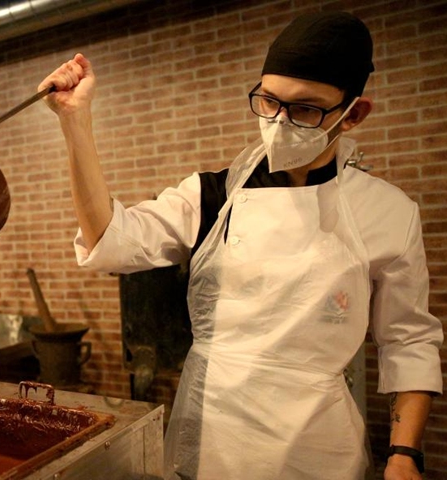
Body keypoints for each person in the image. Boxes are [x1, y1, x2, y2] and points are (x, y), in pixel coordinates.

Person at [39, 11, 442, 480]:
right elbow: (110, 239)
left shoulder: (388, 212)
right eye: (269, 100)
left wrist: (403, 454)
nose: (279, 121)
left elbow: (409, 341)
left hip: (317, 448)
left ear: (353, 114)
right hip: (211, 439)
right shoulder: (212, 196)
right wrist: (75, 122)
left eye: (306, 109)